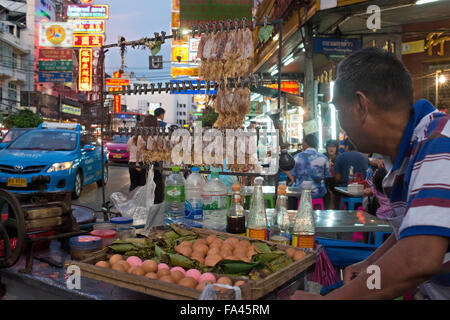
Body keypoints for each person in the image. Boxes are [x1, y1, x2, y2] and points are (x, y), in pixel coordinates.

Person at [292, 47, 450, 300]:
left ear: (360, 105)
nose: (341, 122)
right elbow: (412, 232)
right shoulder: (404, 155)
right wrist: (371, 266)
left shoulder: (440, 142)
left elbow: (419, 257)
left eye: (338, 110)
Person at [285, 134, 329, 199]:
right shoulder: (324, 158)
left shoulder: (297, 157)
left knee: (291, 189)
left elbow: (293, 175)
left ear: (305, 143)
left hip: (300, 193)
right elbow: (326, 176)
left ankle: (295, 208)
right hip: (318, 193)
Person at [143, 115, 164, 204]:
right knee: (157, 182)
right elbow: (160, 148)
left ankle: (150, 201)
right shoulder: (157, 135)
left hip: (147, 160)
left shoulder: (143, 135)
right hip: (156, 161)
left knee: (149, 182)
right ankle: (157, 202)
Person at [324, 139, 339, 209]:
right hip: (325, 180)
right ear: (326, 148)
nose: (331, 148)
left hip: (336, 181)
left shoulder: (339, 158)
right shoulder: (324, 157)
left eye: (333, 147)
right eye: (329, 147)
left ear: (336, 148)